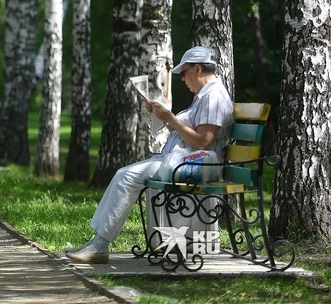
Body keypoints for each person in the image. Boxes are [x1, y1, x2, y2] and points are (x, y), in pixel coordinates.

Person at [66, 46, 233, 264]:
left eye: (184, 73)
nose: (183, 79)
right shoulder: (204, 96)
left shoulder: (214, 97)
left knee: (126, 176)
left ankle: (99, 245)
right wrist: (162, 115)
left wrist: (171, 119)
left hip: (194, 166)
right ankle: (98, 243)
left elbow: (203, 141)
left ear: (198, 69)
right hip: (180, 161)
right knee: (125, 174)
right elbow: (188, 132)